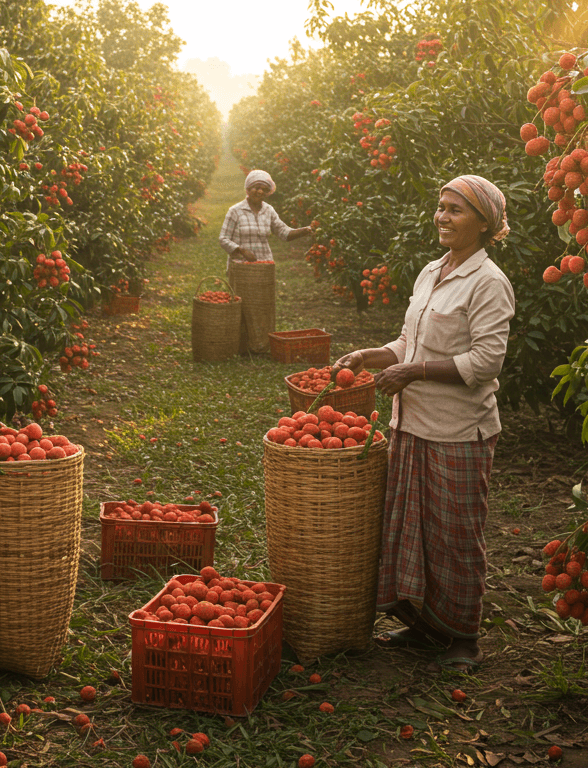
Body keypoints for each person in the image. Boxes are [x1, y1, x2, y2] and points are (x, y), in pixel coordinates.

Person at [331, 175, 516, 671]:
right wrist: (377, 354)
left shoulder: (489, 283)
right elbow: (411, 341)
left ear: (484, 222)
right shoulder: (432, 271)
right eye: (441, 207)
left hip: (458, 431)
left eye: (456, 210)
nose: (443, 216)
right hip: (410, 424)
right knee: (411, 527)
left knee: (454, 535)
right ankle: (425, 627)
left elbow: (485, 362)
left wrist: (414, 371)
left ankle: (464, 636)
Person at [217, 169, 314, 265]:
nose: (260, 191)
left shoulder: (268, 210)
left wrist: (306, 230)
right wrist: (241, 250)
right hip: (241, 266)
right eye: (256, 187)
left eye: (264, 189)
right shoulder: (235, 211)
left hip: (265, 265)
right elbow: (223, 238)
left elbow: (284, 233)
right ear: (248, 189)